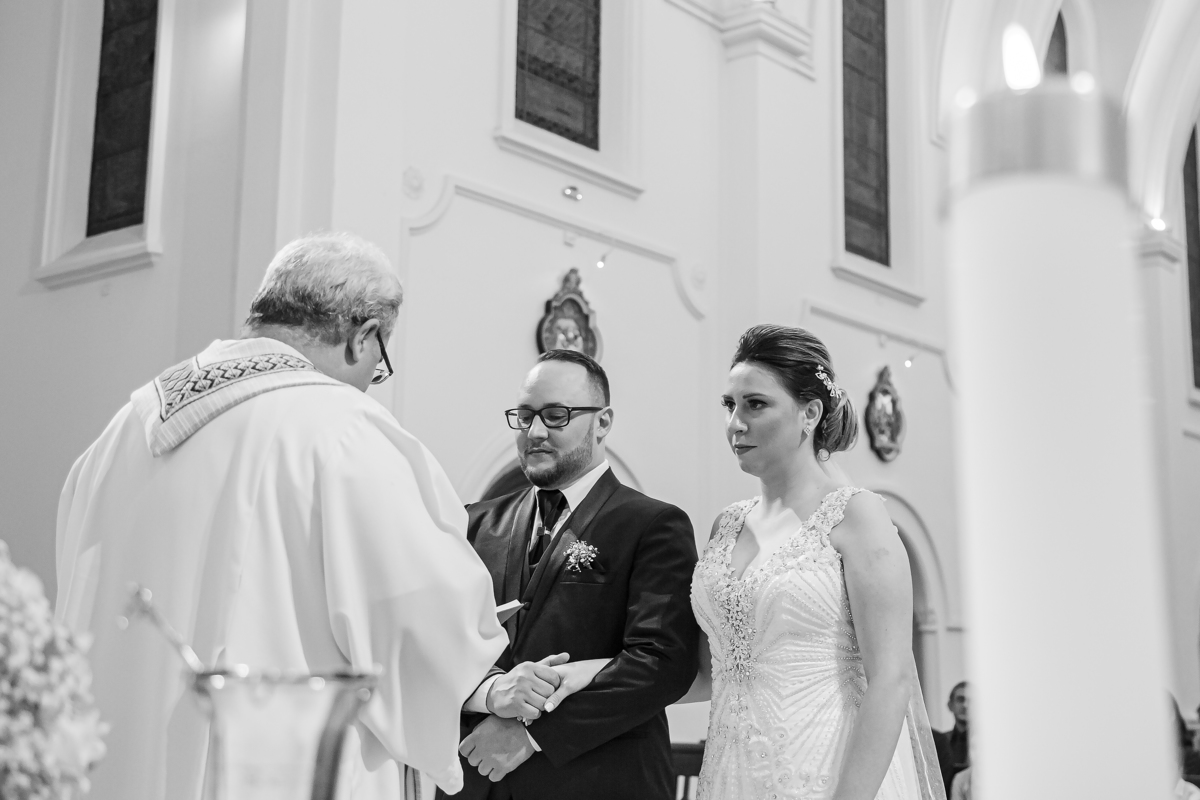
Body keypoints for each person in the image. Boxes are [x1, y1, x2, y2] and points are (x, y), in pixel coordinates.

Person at [54, 233, 507, 800]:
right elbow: (418, 619)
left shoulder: (122, 431)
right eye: (379, 360)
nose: (372, 379)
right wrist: (483, 682)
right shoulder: (341, 429)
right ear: (362, 338)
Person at [684, 324, 945, 800]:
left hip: (828, 772)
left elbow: (891, 678)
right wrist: (593, 682)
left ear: (810, 412)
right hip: (729, 774)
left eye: (755, 404)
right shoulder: (726, 525)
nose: (735, 423)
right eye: (730, 404)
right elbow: (709, 671)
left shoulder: (857, 515)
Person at [437, 349, 701, 800]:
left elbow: (663, 662)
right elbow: (438, 640)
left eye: (557, 415)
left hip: (596, 780)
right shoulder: (474, 523)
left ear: (603, 422)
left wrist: (534, 734)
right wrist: (488, 692)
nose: (536, 432)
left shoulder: (653, 525)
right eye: (525, 416)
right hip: (474, 779)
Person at [934, 682, 970, 792]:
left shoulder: (989, 744)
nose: (965, 705)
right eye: (960, 699)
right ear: (950, 705)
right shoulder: (940, 742)